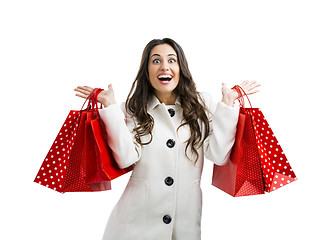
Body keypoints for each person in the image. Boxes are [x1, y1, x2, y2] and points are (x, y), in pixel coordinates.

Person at [74, 38, 260, 240]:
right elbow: (125, 158)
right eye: (156, 61)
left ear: (181, 67)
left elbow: (218, 155)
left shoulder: (201, 104)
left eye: (172, 60)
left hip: (184, 228)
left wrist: (227, 104)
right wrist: (110, 107)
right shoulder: (133, 108)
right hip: (134, 228)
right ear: (146, 70)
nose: (165, 67)